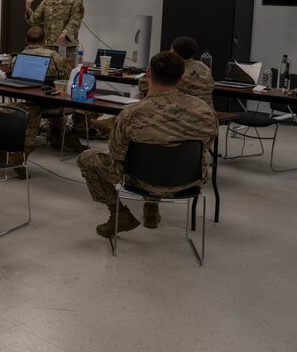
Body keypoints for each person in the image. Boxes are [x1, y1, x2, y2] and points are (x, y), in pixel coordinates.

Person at [77, 51, 217, 237]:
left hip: (142, 180)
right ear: (181, 79)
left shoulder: (130, 115)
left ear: (148, 73)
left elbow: (117, 156)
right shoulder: (203, 110)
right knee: (163, 156)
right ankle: (151, 209)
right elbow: (208, 142)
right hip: (189, 181)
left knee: (87, 158)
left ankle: (118, 214)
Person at [18, 26, 81, 171]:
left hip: (28, 104)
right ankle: (70, 135)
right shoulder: (54, 56)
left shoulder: (20, 56)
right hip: (52, 105)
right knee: (86, 105)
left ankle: (56, 135)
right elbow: (68, 77)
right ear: (45, 41)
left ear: (26, 41)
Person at [137, 36, 214, 107]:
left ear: (173, 50)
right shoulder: (204, 67)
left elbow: (143, 85)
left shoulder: (173, 68)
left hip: (181, 113)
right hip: (207, 112)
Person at [24, 0, 84, 64]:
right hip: (49, 47)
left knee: (67, 72)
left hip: (66, 46)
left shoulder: (74, 0)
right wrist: (28, 8)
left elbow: (75, 20)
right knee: (49, 73)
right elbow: (34, 21)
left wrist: (65, 33)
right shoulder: (47, 1)